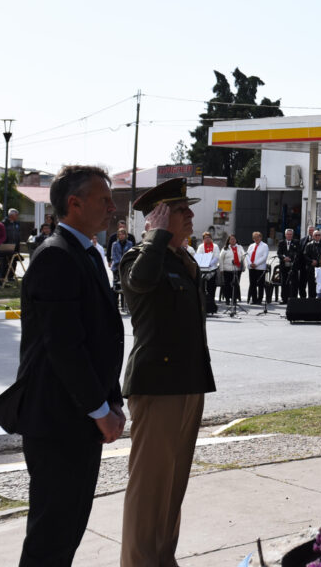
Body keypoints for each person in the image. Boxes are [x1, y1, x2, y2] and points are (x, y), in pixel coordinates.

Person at [0, 165, 125, 567]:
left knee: (68, 529)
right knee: (51, 535)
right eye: (103, 199)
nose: (112, 207)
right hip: (59, 419)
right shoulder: (56, 256)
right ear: (74, 204)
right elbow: (65, 347)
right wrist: (100, 410)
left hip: (82, 416)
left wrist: (111, 402)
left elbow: (100, 339)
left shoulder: (86, 253)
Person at [118, 178, 216, 567]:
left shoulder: (182, 259)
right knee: (149, 486)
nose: (191, 215)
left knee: (173, 485)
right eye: (180, 210)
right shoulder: (137, 258)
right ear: (158, 217)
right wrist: (157, 237)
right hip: (158, 386)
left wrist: (166, 242)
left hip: (188, 383)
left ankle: (162, 557)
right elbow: (140, 282)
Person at [194, 232, 220, 315]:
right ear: (203, 239)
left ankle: (211, 307)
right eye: (205, 238)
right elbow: (199, 256)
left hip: (212, 269)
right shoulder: (201, 246)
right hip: (203, 269)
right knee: (202, 289)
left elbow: (216, 257)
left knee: (211, 289)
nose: (207, 239)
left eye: (208, 237)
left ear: (211, 238)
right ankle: (202, 307)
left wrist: (209, 263)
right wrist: (203, 263)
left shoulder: (215, 246)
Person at [110, 227, 134, 310]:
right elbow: (114, 255)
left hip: (126, 267)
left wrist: (124, 263)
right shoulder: (114, 244)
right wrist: (119, 263)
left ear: (125, 235)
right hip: (116, 267)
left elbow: (130, 254)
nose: (121, 236)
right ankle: (115, 304)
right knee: (116, 285)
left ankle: (124, 305)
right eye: (119, 234)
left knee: (125, 286)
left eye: (123, 234)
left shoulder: (130, 243)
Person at [218, 234, 246, 306]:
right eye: (231, 239)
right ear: (229, 241)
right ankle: (227, 299)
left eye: (234, 239)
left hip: (237, 269)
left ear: (236, 240)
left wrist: (244, 267)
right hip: (227, 269)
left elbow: (243, 257)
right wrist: (221, 268)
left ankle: (234, 299)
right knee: (227, 285)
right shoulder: (225, 248)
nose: (233, 240)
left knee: (236, 284)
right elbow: (221, 259)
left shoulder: (239, 247)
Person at [278, 228, 302, 301]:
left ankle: (293, 298)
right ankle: (284, 298)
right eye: (288, 234)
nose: (289, 236)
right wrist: (283, 258)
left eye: (290, 234)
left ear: (292, 235)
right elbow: (279, 253)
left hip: (293, 266)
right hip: (284, 266)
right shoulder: (281, 242)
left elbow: (298, 253)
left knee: (294, 283)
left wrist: (290, 258)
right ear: (285, 235)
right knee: (284, 282)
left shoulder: (296, 242)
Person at [245, 231, 269, 304]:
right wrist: (250, 263)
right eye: (254, 238)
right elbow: (247, 255)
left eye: (257, 237)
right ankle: (254, 299)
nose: (256, 239)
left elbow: (264, 257)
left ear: (260, 237)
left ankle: (259, 299)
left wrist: (256, 264)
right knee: (252, 284)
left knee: (260, 285)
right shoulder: (251, 246)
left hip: (260, 268)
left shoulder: (265, 246)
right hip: (251, 268)